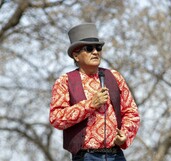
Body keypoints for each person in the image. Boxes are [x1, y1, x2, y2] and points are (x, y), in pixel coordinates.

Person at [49, 23, 140, 161]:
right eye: (89, 48)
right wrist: (90, 104)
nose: (96, 52)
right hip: (85, 156)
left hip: (116, 155)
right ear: (76, 55)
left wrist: (125, 134)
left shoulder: (115, 77)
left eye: (98, 48)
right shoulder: (65, 81)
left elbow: (131, 112)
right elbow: (56, 118)